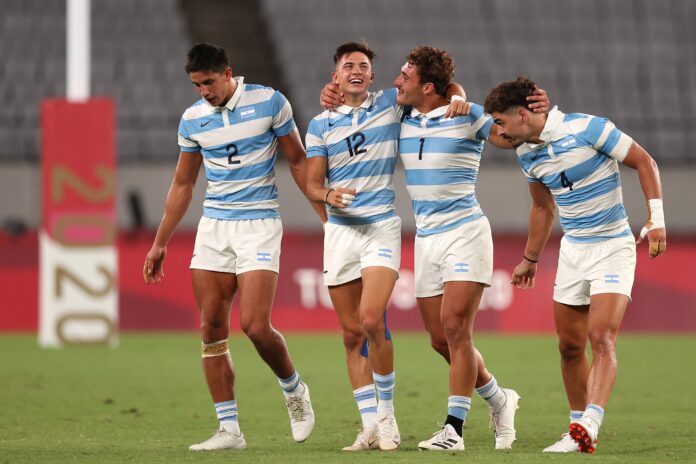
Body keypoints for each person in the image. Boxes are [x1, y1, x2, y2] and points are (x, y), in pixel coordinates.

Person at [143, 43, 324, 451]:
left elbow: (298, 162)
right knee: (211, 328)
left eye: (208, 82)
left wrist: (326, 217)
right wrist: (160, 242)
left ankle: (294, 390)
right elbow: (184, 183)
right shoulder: (192, 120)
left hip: (258, 224)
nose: (203, 91)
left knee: (256, 326)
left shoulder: (270, 102)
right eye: (196, 85)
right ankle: (229, 430)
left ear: (228, 73)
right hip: (214, 228)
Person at [484, 76, 667, 454]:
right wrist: (530, 258)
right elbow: (542, 207)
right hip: (573, 252)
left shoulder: (587, 128)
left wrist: (657, 218)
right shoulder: (526, 153)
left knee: (600, 336)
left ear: (522, 115)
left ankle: (590, 424)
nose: (498, 132)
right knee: (569, 347)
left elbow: (644, 161)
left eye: (501, 122)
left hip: (613, 246)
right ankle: (577, 428)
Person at [305, 41, 468, 452]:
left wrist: (459, 97)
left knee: (371, 318)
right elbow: (311, 183)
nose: (356, 71)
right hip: (340, 233)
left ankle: (387, 416)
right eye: (348, 66)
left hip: (380, 227)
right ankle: (368, 426)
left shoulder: (390, 106)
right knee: (350, 334)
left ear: (372, 76)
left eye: (363, 65)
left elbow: (441, 86)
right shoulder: (320, 125)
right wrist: (327, 195)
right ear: (335, 76)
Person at [392, 46, 550, 451]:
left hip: (465, 233)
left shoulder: (467, 116)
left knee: (456, 328)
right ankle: (499, 398)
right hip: (426, 239)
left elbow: (509, 137)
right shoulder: (402, 117)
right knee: (439, 339)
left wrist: (535, 118)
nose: (397, 81)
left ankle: (453, 430)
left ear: (428, 87)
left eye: (405, 76)